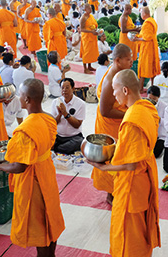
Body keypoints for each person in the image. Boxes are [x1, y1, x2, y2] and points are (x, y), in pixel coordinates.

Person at [0, 78, 65, 257]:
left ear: (27, 100)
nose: (17, 97)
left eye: (20, 94)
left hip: (34, 182)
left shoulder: (25, 130)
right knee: (49, 220)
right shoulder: (49, 119)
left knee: (38, 226)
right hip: (46, 173)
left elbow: (19, 167)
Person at [87, 69, 160, 256]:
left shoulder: (131, 120)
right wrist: (121, 146)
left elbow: (131, 165)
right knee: (139, 231)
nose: (112, 94)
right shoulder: (147, 108)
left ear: (125, 91)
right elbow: (139, 147)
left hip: (133, 186)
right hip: (144, 179)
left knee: (130, 239)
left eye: (114, 90)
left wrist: (104, 166)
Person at [91, 44, 133, 202]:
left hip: (119, 121)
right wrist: (128, 114)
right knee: (113, 157)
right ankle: (112, 193)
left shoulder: (120, 73)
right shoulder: (111, 80)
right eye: (128, 59)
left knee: (121, 156)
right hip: (110, 125)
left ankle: (120, 187)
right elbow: (105, 111)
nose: (131, 62)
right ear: (117, 60)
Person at [51, 78, 86, 155]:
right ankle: (58, 148)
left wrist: (66, 114)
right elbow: (53, 123)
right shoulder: (55, 102)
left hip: (73, 137)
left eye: (67, 87)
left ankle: (55, 148)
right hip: (58, 136)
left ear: (73, 88)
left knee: (79, 142)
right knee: (45, 138)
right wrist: (59, 114)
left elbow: (77, 125)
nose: (64, 90)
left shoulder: (80, 104)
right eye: (62, 88)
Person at [134, 6, 160, 90]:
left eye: (141, 13)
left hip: (147, 48)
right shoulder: (152, 21)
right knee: (152, 68)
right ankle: (153, 86)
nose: (140, 15)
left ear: (144, 13)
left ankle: (140, 88)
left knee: (144, 67)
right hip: (152, 46)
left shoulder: (147, 23)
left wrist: (136, 39)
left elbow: (146, 38)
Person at [146, 85, 167, 158]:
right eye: (149, 98)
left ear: (159, 96)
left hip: (160, 135)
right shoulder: (144, 104)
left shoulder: (164, 106)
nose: (151, 101)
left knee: (156, 153)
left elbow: (167, 123)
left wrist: (159, 119)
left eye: (154, 99)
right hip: (148, 134)